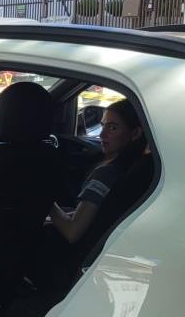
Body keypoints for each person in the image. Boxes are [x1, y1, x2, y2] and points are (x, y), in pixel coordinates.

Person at [50, 99, 147, 244]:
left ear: (135, 133)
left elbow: (72, 232)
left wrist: (46, 202)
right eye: (102, 126)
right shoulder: (140, 165)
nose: (102, 135)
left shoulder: (106, 174)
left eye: (112, 128)